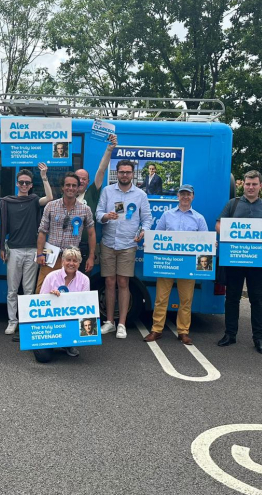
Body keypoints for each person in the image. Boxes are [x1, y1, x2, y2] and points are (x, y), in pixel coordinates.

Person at [216, 170, 262, 354]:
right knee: (232, 298)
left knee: (257, 300)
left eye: (254, 184)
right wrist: (227, 230)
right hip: (235, 260)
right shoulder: (232, 204)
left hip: (258, 263)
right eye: (247, 184)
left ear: (260, 186)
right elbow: (218, 224)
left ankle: (259, 338)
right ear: (243, 185)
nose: (250, 187)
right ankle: (230, 334)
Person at [144, 184, 209, 345]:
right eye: (182, 194)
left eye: (188, 194)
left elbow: (205, 241)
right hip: (167, 263)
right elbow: (157, 235)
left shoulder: (199, 218)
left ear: (193, 196)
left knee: (186, 300)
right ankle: (156, 330)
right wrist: (150, 244)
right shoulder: (167, 215)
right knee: (161, 298)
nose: (185, 197)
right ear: (178, 196)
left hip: (187, 266)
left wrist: (211, 245)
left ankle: (183, 332)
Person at [96, 159, 152, 338]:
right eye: (122, 172)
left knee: (123, 283)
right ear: (116, 173)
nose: (125, 175)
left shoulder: (140, 195)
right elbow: (97, 214)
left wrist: (144, 231)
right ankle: (110, 322)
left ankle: (122, 324)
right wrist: (106, 216)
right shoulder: (107, 191)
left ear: (132, 174)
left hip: (128, 245)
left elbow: (148, 219)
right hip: (108, 244)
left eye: (128, 172)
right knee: (109, 283)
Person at [0, 163, 54, 335]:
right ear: (17, 183)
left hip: (32, 250)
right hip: (13, 250)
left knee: (29, 290)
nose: (24, 185)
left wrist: (44, 177)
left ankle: (26, 322)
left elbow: (50, 198)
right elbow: (3, 227)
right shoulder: (7, 201)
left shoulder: (34, 200)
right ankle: (12, 321)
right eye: (21, 182)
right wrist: (2, 247)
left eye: (27, 183)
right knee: (12, 289)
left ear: (31, 185)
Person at [36, 172, 96, 293]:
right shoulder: (50, 206)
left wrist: (91, 257)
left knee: (70, 291)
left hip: (71, 258)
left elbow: (91, 234)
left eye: (74, 185)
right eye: (68, 185)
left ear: (78, 187)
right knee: (41, 291)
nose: (71, 188)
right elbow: (42, 232)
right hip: (51, 255)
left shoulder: (85, 209)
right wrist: (39, 254)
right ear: (62, 187)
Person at [34, 247, 90, 362]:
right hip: (50, 323)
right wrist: (50, 297)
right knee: (43, 357)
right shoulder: (51, 277)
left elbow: (86, 307)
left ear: (79, 263)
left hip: (71, 320)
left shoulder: (84, 280)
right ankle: (41, 342)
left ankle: (67, 343)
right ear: (62, 261)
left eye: (75, 261)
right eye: (68, 260)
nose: (71, 263)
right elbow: (40, 303)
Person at [76, 133, 117, 266]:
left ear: (88, 181)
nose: (81, 181)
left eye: (84, 179)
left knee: (84, 284)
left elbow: (101, 170)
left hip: (86, 247)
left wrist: (109, 149)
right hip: (66, 247)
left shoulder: (92, 194)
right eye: (78, 179)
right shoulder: (65, 196)